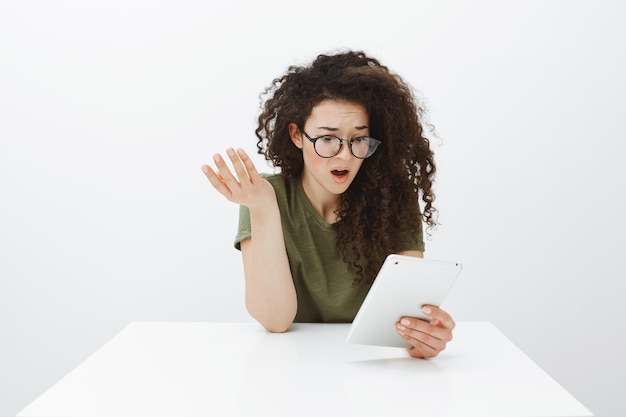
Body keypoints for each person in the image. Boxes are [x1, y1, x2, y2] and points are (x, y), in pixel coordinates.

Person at [201, 50, 454, 358]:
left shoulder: (395, 199)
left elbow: (407, 319)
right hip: (289, 364)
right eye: (327, 139)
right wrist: (264, 208)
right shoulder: (265, 195)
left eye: (359, 139)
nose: (345, 155)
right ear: (297, 135)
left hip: (370, 363)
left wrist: (423, 337)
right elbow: (275, 320)